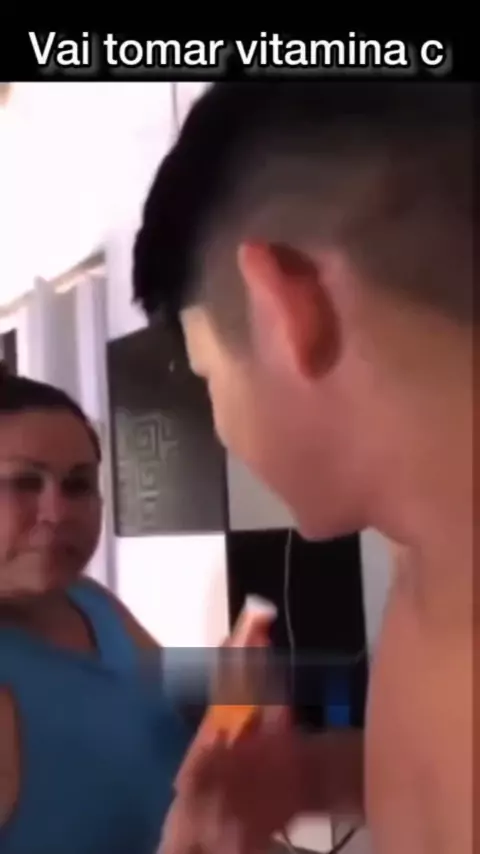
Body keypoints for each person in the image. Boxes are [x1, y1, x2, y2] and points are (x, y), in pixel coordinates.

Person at [132, 82, 474, 854]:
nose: (220, 426)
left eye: (207, 374)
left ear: (287, 312)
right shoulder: (427, 549)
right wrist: (314, 778)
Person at [0, 364, 195, 854]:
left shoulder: (89, 601)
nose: (57, 512)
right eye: (24, 482)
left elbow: (184, 692)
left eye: (78, 484)